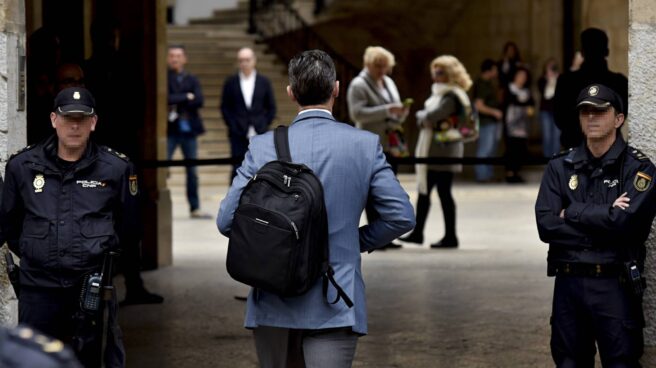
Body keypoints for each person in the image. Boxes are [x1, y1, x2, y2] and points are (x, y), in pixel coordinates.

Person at [217, 49, 415, 368]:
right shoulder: (364, 145)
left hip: (272, 295)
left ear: (291, 92)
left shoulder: (262, 146)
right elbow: (401, 217)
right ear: (336, 88)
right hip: (334, 294)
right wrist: (354, 240)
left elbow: (227, 221)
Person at [0, 87, 135, 367]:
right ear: (53, 119)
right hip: (39, 289)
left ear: (93, 122)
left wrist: (100, 261)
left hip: (92, 288)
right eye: (68, 118)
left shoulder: (115, 168)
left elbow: (129, 228)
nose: (75, 125)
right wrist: (37, 252)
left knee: (98, 359)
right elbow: (9, 225)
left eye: (82, 119)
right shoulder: (23, 166)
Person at [535, 84, 656, 367]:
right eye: (585, 111)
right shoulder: (559, 167)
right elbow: (546, 226)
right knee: (569, 363)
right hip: (569, 284)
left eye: (600, 111)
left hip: (615, 285)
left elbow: (627, 225)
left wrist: (572, 212)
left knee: (621, 362)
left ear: (618, 119)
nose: (591, 117)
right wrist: (605, 217)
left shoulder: (639, 169)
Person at [399, 55, 472, 248]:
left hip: (443, 152)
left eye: (439, 73)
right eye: (434, 72)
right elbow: (428, 118)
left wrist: (421, 115)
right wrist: (424, 118)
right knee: (427, 192)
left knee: (440, 192)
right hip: (439, 151)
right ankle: (421, 233)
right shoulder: (444, 93)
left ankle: (448, 236)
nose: (435, 77)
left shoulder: (451, 95)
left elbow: (432, 115)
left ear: (449, 74)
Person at [347, 46, 408, 249]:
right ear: (368, 64)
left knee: (389, 189)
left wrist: (400, 112)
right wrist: (387, 110)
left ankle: (387, 235)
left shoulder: (388, 82)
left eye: (385, 66)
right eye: (378, 66)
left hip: (390, 142)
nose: (382, 70)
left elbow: (394, 109)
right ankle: (377, 236)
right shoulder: (358, 84)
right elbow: (357, 113)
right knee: (373, 193)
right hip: (370, 144)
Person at [554, 28, 628, 149]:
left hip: (575, 147)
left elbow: (560, 118)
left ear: (582, 52)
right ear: (607, 52)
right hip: (608, 149)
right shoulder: (619, 82)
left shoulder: (566, 81)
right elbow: (620, 118)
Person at [167, 45, 211, 219]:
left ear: (184, 58)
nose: (175, 59)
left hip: (189, 131)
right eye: (171, 56)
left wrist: (178, 99)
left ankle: (195, 207)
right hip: (169, 131)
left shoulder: (192, 78)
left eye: (178, 56)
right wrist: (186, 96)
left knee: (192, 171)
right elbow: (164, 97)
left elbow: (199, 100)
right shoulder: (163, 77)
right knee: (162, 170)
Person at [221, 47, 277, 181]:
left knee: (261, 167)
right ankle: (235, 201)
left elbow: (271, 107)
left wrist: (264, 124)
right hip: (237, 133)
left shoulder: (264, 82)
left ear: (254, 61)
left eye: (247, 60)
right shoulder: (231, 82)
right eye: (241, 60)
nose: (244, 63)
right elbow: (225, 107)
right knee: (236, 167)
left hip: (260, 132)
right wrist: (232, 125)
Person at [472, 59, 504, 183]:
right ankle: (482, 176)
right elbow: (479, 105)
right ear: (489, 70)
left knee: (491, 150)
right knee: (484, 149)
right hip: (486, 122)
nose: (496, 72)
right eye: (495, 69)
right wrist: (494, 112)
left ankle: (488, 175)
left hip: (491, 122)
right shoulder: (482, 83)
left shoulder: (489, 83)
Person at [504, 67, 534, 183]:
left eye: (524, 77)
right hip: (511, 123)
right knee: (511, 148)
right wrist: (522, 102)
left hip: (523, 125)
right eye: (520, 76)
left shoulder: (526, 91)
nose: (522, 79)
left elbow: (531, 103)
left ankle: (516, 173)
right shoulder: (509, 88)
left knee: (520, 148)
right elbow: (509, 101)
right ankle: (509, 173)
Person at [538, 58, 560, 158]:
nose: (552, 69)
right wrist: (550, 79)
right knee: (547, 136)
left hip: (557, 111)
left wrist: (556, 78)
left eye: (553, 66)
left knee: (556, 136)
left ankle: (555, 159)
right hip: (545, 111)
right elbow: (546, 94)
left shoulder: (560, 78)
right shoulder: (541, 80)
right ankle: (546, 159)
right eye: (550, 66)